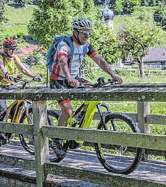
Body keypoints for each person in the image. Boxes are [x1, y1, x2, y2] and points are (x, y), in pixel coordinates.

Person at [49, 17, 123, 156]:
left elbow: (99, 60)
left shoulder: (86, 46)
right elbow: (62, 61)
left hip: (75, 78)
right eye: (84, 33)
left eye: (89, 33)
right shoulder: (64, 44)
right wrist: (69, 77)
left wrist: (113, 75)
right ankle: (56, 140)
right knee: (67, 111)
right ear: (75, 32)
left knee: (92, 90)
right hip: (59, 80)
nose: (87, 35)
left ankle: (78, 121)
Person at [0, 38, 40, 111]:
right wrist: (6, 75)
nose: (13, 51)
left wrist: (34, 76)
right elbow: (1, 66)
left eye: (14, 49)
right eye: (11, 49)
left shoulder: (14, 57)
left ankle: (13, 115)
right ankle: (1, 122)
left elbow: (23, 69)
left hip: (9, 85)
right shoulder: (0, 56)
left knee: (23, 97)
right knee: (3, 109)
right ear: (6, 49)